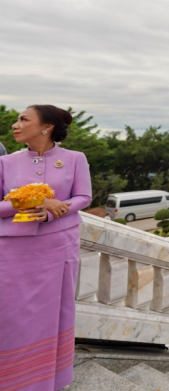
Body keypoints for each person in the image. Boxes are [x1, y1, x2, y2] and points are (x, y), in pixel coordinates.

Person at [0, 105, 91, 390]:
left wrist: (52, 211)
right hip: (13, 250)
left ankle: (47, 380)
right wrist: (34, 201)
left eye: (23, 119)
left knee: (54, 312)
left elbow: (84, 196)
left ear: (46, 126)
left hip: (58, 248)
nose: (15, 125)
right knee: (11, 314)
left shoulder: (75, 158)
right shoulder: (5, 162)